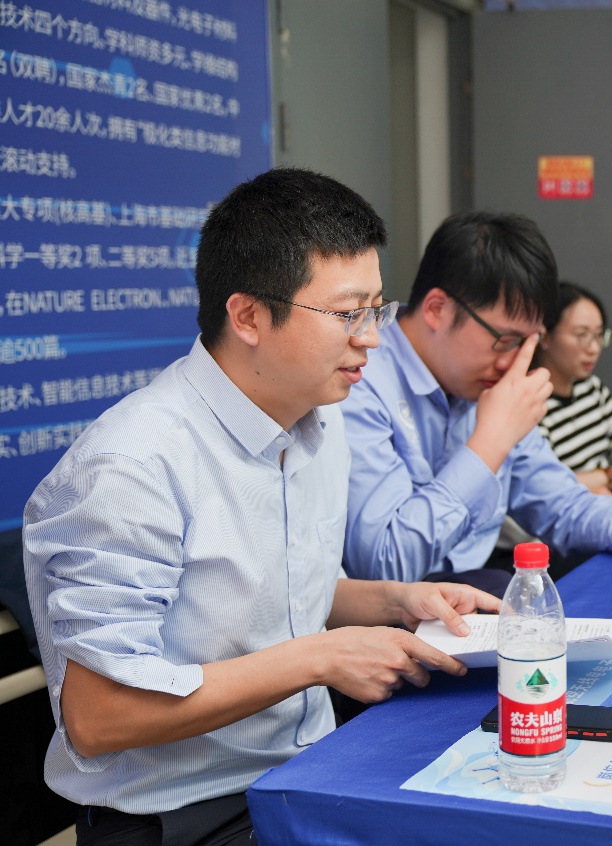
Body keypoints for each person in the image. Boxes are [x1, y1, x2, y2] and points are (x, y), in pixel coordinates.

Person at [23, 168, 501, 846]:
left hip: (305, 771)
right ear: (247, 316)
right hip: (184, 816)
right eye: (347, 314)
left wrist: (398, 602)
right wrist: (318, 659)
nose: (371, 337)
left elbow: (281, 590)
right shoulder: (132, 465)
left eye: (377, 309)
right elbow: (100, 716)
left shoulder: (319, 420)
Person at [340, 211, 612, 588]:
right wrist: (490, 442)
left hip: (468, 592)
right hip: (391, 619)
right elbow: (384, 566)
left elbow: (563, 505)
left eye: (529, 343)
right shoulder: (358, 379)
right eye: (506, 340)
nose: (515, 363)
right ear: (437, 310)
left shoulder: (485, 381)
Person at [535, 282, 612, 498]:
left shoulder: (592, 389)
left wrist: (604, 478)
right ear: (545, 335)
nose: (594, 348)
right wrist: (604, 484)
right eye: (582, 334)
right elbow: (547, 491)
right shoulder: (532, 406)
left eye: (598, 335)